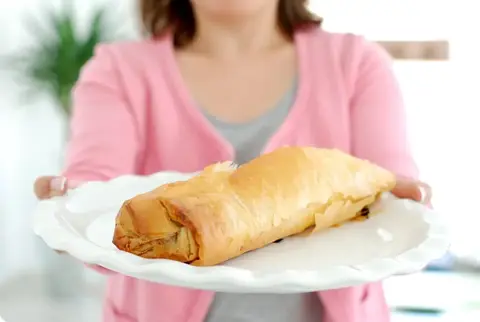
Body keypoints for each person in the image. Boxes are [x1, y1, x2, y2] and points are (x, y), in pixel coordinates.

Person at [33, 0, 432, 321]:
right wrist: (71, 206)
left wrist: (409, 199)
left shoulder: (356, 63)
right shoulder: (118, 71)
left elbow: (390, 186)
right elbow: (95, 190)